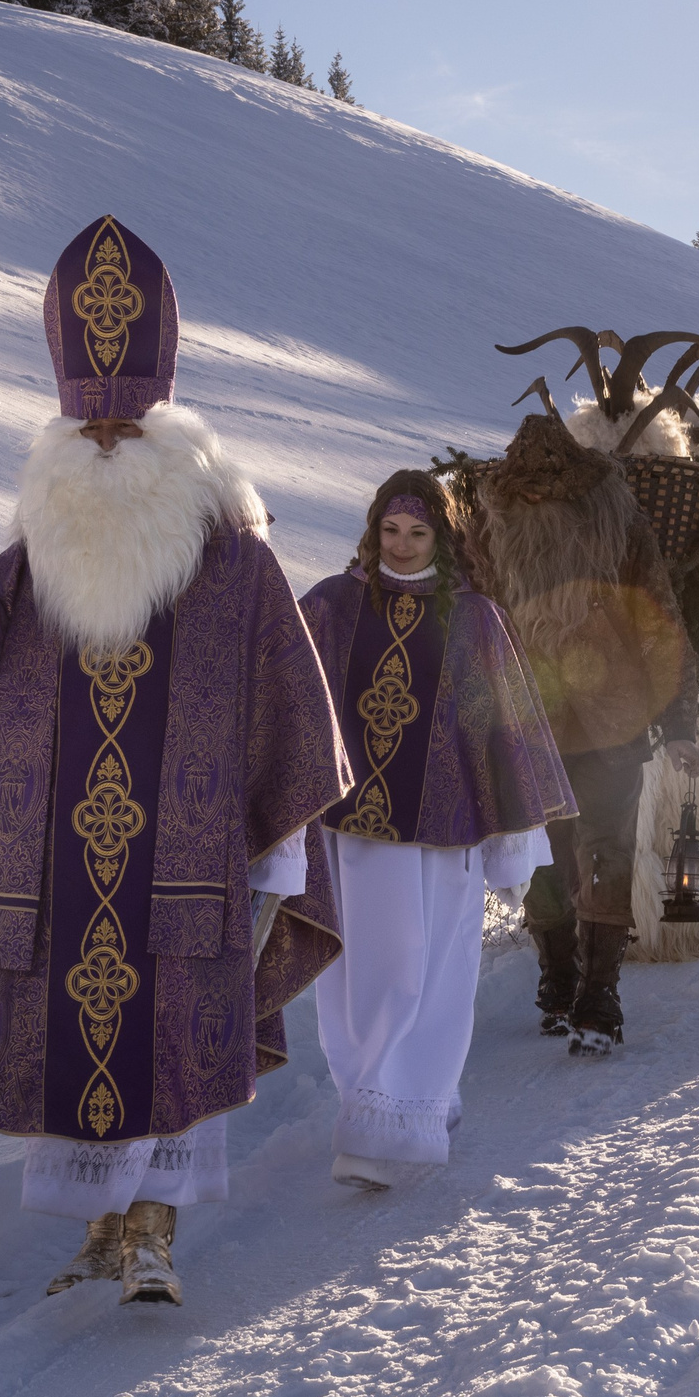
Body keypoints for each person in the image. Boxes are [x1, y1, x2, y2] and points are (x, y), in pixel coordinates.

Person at [0, 215, 346, 1305]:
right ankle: (102, 1229)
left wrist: (282, 847)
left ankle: (156, 1232)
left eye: (126, 432)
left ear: (167, 440)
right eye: (89, 432)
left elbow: (290, 706)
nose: (106, 447)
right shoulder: (31, 568)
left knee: (176, 1045)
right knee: (79, 1029)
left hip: (193, 865)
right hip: (69, 869)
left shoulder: (237, 565)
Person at [297, 471, 576, 1188]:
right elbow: (284, 691)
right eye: (390, 530)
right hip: (351, 835)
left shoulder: (475, 618)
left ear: (443, 538)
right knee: (360, 980)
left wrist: (511, 842)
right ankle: (380, 1118)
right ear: (372, 529)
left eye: (417, 533)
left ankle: (405, 1119)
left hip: (444, 835)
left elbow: (506, 730)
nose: (402, 545)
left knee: (430, 976)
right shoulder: (331, 604)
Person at [455, 413, 699, 1056]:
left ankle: (600, 994)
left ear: (576, 484)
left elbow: (658, 621)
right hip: (525, 724)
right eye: (527, 489)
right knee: (542, 856)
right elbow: (465, 623)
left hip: (611, 720)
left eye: (550, 487)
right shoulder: (488, 530)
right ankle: (559, 977)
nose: (538, 497)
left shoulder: (618, 524)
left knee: (608, 851)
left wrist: (679, 722)